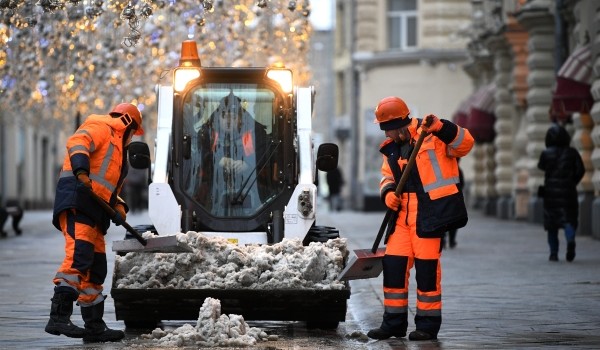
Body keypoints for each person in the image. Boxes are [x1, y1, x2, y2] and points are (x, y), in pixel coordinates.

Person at [367, 96, 474, 341]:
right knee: (393, 268)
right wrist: (388, 195)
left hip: (430, 215)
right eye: (386, 131)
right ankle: (393, 324)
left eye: (391, 130)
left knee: (427, 273)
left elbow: (465, 144)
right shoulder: (391, 148)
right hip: (402, 216)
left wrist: (442, 127)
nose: (389, 135)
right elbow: (386, 177)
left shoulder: (433, 136)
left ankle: (427, 326)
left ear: (402, 123)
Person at [45, 102, 144, 342]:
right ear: (128, 123)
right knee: (78, 257)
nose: (132, 138)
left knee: (95, 266)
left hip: (96, 213)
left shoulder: (120, 154)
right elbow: (77, 143)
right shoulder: (101, 125)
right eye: (134, 132)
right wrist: (81, 172)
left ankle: (94, 326)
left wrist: (119, 208)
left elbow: (112, 191)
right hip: (78, 202)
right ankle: (58, 316)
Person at [195, 93, 268, 215]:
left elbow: (266, 153)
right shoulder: (207, 133)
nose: (228, 121)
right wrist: (217, 159)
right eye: (224, 115)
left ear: (240, 119)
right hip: (211, 202)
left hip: (254, 197)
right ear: (218, 117)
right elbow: (197, 154)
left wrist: (248, 164)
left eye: (233, 116)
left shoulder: (256, 133)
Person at [537, 123, 584, 262]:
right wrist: (572, 182)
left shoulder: (546, 153)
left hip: (550, 193)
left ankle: (553, 253)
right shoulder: (572, 152)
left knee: (552, 224)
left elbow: (541, 167)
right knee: (568, 220)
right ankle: (570, 240)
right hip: (569, 192)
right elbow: (581, 170)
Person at [442, 165, 464, 249]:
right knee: (452, 222)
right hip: (454, 199)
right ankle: (451, 241)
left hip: (443, 199)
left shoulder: (442, 169)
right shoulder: (458, 170)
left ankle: (444, 240)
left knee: (443, 222)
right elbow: (462, 184)